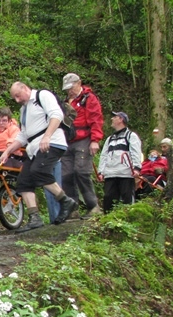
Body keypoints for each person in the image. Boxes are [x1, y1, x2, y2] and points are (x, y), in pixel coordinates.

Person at [0, 82, 77, 232]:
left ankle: (65, 200)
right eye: (14, 97)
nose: (16, 100)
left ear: (24, 88)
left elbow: (57, 115)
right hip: (34, 148)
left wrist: (47, 137)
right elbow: (23, 135)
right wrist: (7, 151)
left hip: (52, 142)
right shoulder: (24, 109)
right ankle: (34, 217)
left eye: (17, 95)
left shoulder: (43, 96)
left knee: (38, 171)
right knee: (24, 180)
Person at [61, 73, 104, 218]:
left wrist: (95, 140)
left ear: (79, 83)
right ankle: (73, 208)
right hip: (68, 141)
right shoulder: (66, 101)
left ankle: (93, 206)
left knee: (82, 172)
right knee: (66, 174)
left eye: (71, 87)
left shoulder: (89, 99)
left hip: (84, 139)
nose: (69, 91)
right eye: (67, 89)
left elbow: (96, 119)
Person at [97, 112, 142, 213]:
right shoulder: (109, 139)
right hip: (110, 174)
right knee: (108, 199)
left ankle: (128, 221)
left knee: (127, 200)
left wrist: (136, 168)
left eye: (115, 117)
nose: (112, 119)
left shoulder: (131, 136)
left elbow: (136, 152)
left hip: (125, 173)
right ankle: (107, 222)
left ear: (121, 119)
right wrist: (101, 172)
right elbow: (104, 155)